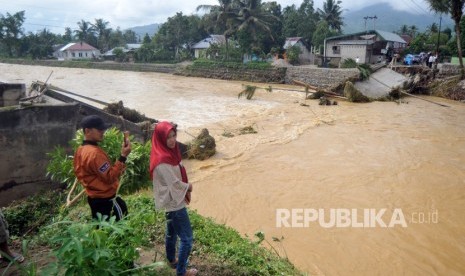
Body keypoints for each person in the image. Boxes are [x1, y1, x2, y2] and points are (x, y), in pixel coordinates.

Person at [149, 121, 197, 276]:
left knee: (171, 232)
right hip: (174, 203)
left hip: (169, 200)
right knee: (187, 239)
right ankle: (181, 272)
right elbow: (175, 184)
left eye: (174, 135)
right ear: (161, 138)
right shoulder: (162, 160)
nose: (172, 140)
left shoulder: (167, 152)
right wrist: (188, 186)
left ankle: (171, 259)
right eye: (168, 137)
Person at [73, 115, 131, 221]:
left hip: (94, 199)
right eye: (99, 129)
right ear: (87, 131)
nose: (103, 132)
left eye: (103, 129)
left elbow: (79, 172)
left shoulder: (80, 150)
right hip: (107, 200)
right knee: (121, 228)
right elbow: (109, 177)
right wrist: (123, 157)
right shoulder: (95, 154)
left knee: (102, 230)